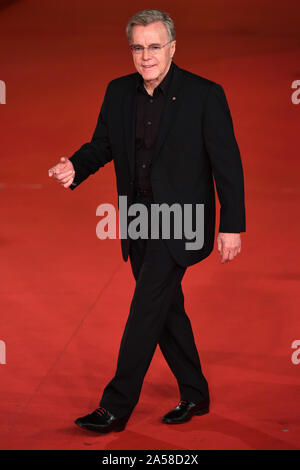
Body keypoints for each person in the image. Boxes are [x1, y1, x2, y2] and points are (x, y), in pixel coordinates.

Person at [48, 9, 246, 434]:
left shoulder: (204, 95)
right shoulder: (118, 92)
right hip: (138, 217)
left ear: (172, 47)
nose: (146, 55)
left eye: (155, 46)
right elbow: (103, 144)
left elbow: (227, 164)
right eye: (138, 47)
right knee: (166, 309)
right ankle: (195, 390)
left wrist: (232, 225)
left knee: (143, 312)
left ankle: (115, 407)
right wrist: (75, 167)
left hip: (184, 220)